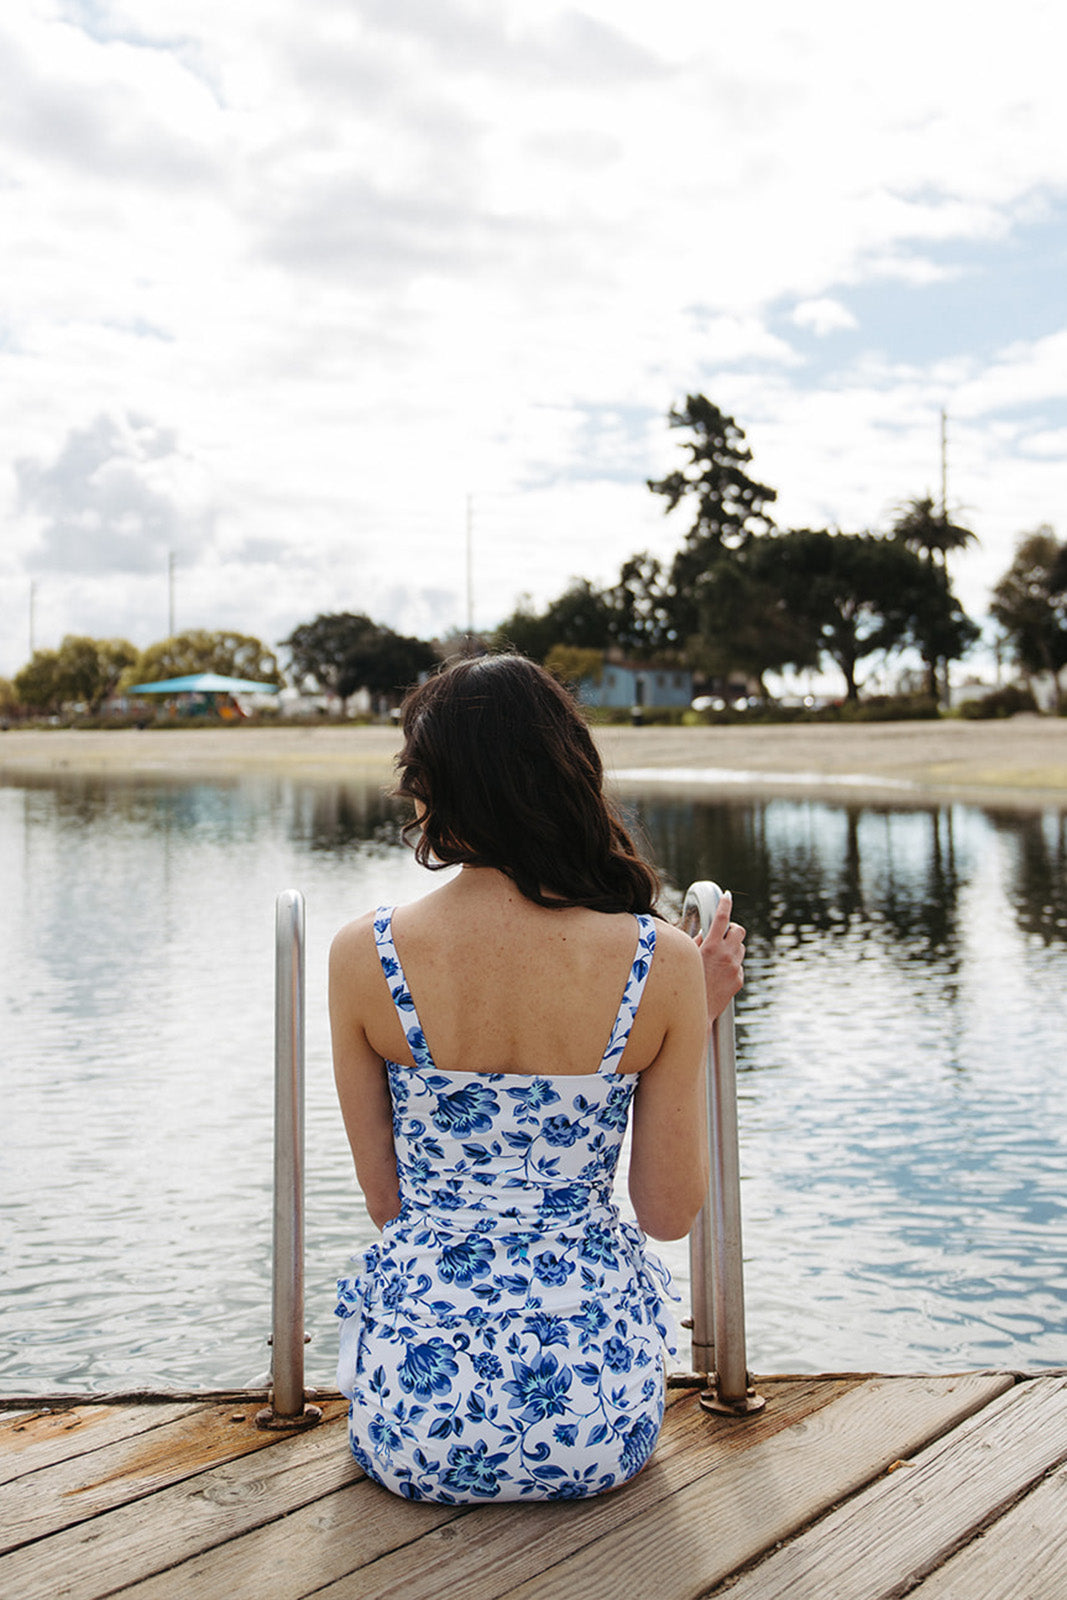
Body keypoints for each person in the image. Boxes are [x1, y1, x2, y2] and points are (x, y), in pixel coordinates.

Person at [330, 655, 745, 1502]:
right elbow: (667, 1216)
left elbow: (387, 1204)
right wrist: (689, 1017)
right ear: (567, 772)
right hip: (594, 1421)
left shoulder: (361, 954)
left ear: (433, 786)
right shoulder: (660, 961)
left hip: (415, 1420)